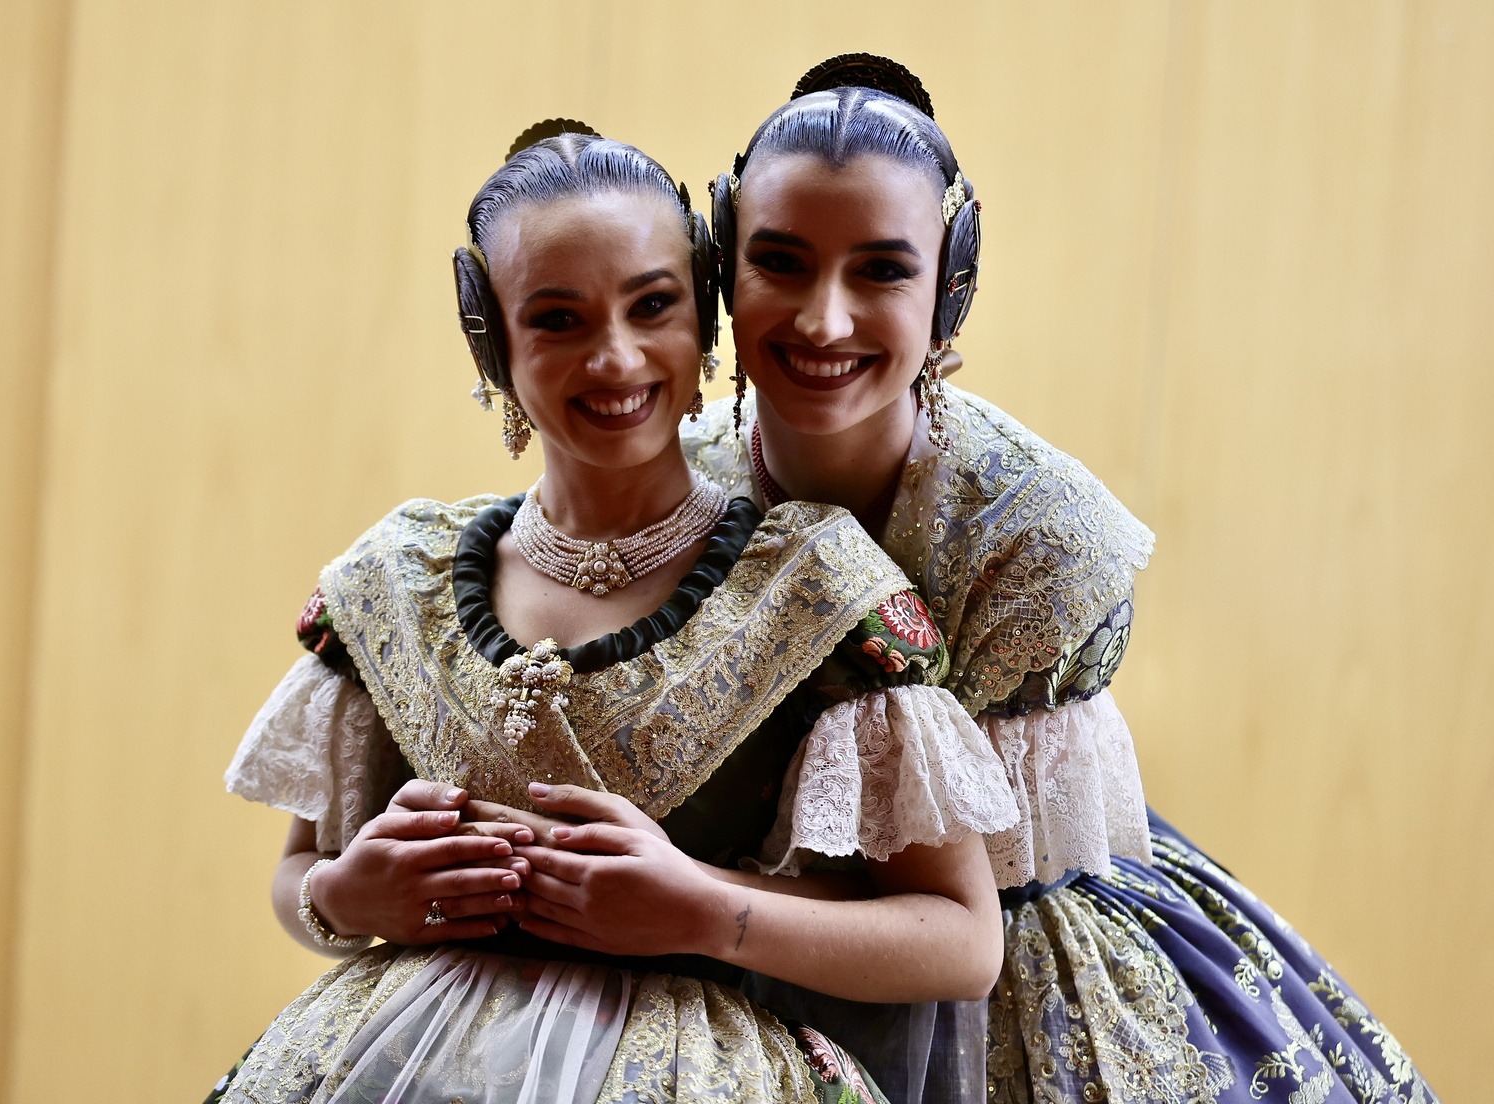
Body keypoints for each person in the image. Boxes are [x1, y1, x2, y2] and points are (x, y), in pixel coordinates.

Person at [669, 53, 1438, 1104]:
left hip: (996, 963)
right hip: (700, 948)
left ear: (950, 288)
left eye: (882, 271)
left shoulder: (1033, 534)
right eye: (781, 262)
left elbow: (966, 911)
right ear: (722, 267)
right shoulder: (676, 484)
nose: (823, 321)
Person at [212, 122, 1017, 1104]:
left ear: (704, 320)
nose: (616, 357)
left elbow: (962, 942)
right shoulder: (397, 581)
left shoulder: (814, 589)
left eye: (652, 306)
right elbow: (301, 874)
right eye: (558, 320)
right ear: (492, 340)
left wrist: (706, 911)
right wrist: (347, 896)